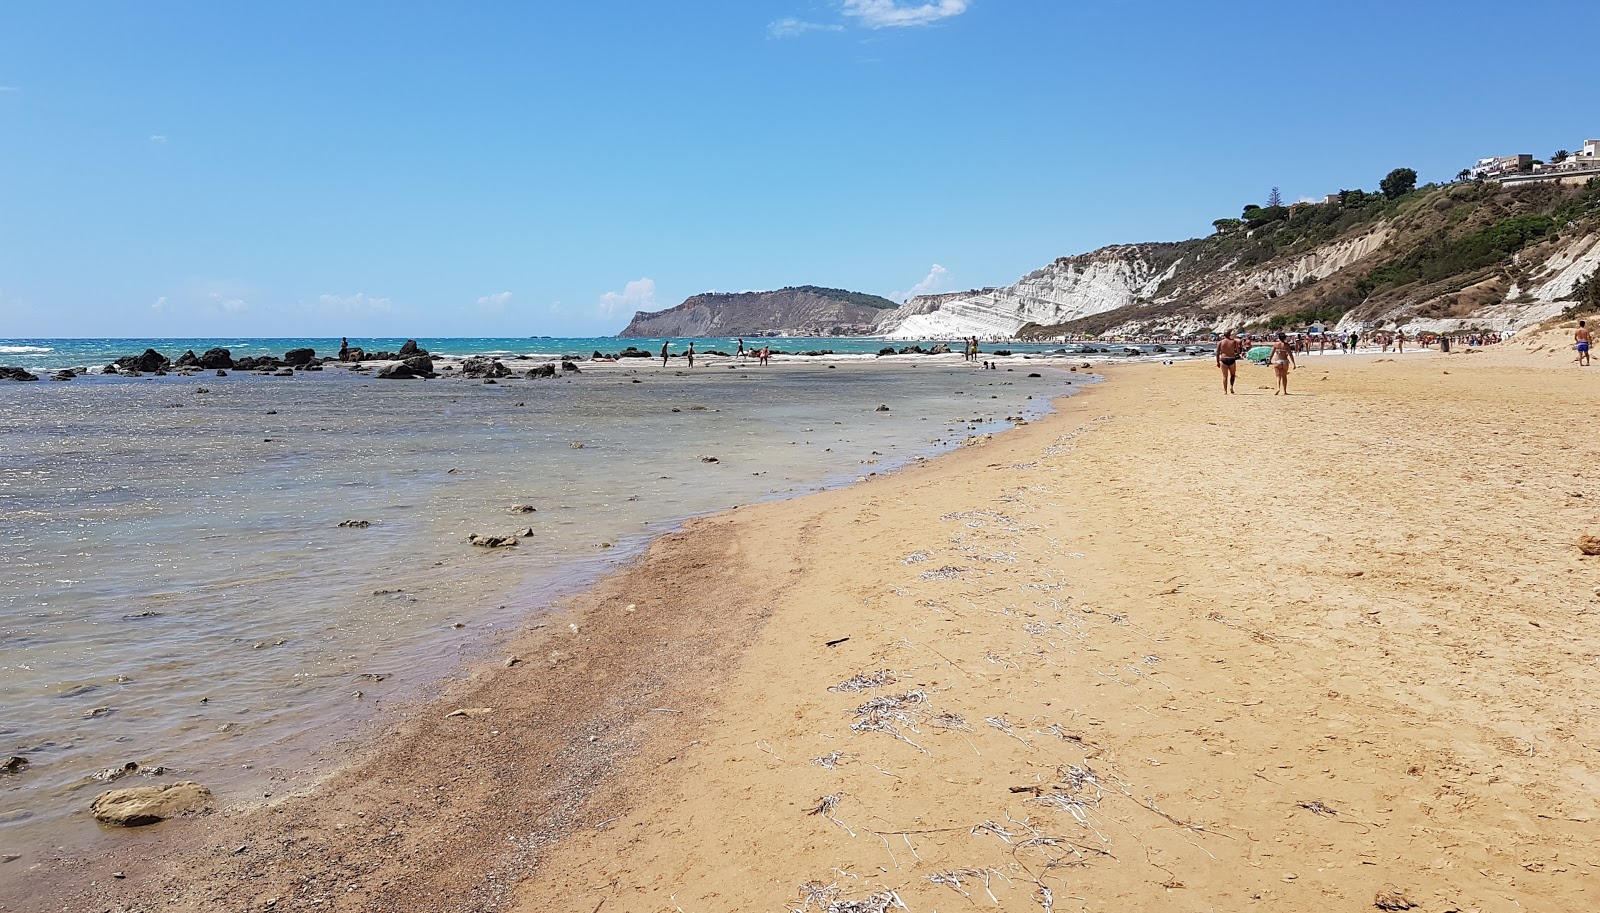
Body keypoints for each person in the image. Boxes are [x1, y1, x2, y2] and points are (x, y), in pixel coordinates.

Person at [1216, 330, 1242, 394]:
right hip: (1231, 359)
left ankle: (1225, 391)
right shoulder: (1233, 341)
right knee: (1232, 375)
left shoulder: (1220, 342)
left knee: (1225, 376)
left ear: (1224, 335)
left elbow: (1217, 353)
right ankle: (1231, 387)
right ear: (1230, 334)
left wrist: (1217, 362)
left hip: (1223, 359)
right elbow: (1238, 352)